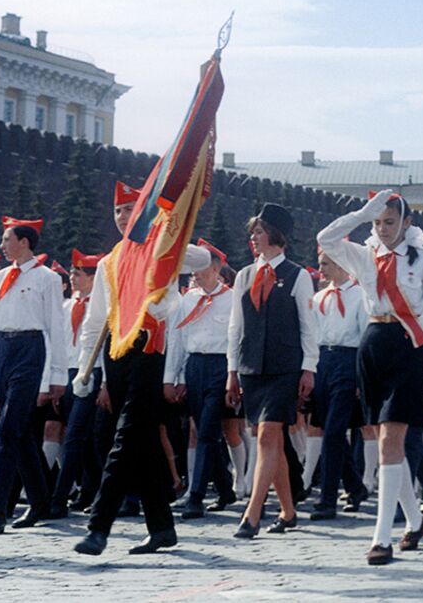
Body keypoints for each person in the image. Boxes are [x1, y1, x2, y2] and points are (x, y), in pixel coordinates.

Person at [318, 190, 423, 563]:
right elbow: (325, 240)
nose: (383, 229)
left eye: (389, 222)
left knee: (391, 438)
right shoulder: (364, 256)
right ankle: (414, 519)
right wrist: (361, 214)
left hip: (410, 346)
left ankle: (382, 538)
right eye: (378, 223)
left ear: (406, 223)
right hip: (373, 344)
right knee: (382, 439)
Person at [72, 184, 186, 555]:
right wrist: (85, 369)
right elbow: (96, 320)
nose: (123, 217)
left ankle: (98, 527)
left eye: (130, 210)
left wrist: (172, 232)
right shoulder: (110, 261)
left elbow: (179, 287)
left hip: (148, 350)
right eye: (118, 211)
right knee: (145, 443)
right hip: (116, 352)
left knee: (125, 439)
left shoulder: (160, 250)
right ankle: (162, 527)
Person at [0, 217, 67, 534]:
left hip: (31, 348)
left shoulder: (47, 278)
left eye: (7, 238)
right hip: (3, 349)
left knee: (7, 430)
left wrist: (55, 377)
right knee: (21, 433)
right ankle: (41, 502)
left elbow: (55, 328)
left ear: (24, 242)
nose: (1, 245)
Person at [226, 204, 318, 540]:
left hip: (284, 368)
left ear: (276, 235)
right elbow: (236, 327)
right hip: (252, 369)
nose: (253, 238)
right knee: (270, 440)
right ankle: (288, 511)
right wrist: (232, 371)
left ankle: (252, 513)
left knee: (267, 435)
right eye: (253, 232)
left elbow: (309, 327)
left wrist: (308, 368)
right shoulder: (244, 276)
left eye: (259, 231)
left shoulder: (298, 275)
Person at [164, 241, 240, 519]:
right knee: (202, 428)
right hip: (195, 366)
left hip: (220, 365)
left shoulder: (233, 299)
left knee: (207, 429)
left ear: (216, 268)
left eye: (200, 267)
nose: (194, 273)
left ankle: (195, 495)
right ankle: (224, 488)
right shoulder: (187, 300)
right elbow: (178, 341)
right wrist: (172, 377)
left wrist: (235, 375)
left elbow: (236, 340)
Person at [301, 249, 368, 522]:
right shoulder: (319, 298)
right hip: (323, 361)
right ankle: (355, 486)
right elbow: (311, 335)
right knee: (331, 430)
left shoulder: (360, 296)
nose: (322, 269)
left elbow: (365, 339)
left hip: (348, 360)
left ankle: (327, 498)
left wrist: (361, 378)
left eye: (326, 264)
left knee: (335, 430)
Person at [46, 249, 106, 518]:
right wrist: (56, 378)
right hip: (68, 372)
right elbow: (57, 344)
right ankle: (92, 487)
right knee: (84, 438)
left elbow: (103, 345)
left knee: (74, 436)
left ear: (94, 278)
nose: (72, 277)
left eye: (79, 273)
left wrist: (103, 382)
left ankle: (58, 498)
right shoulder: (67, 306)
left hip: (92, 372)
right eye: (71, 272)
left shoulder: (103, 307)